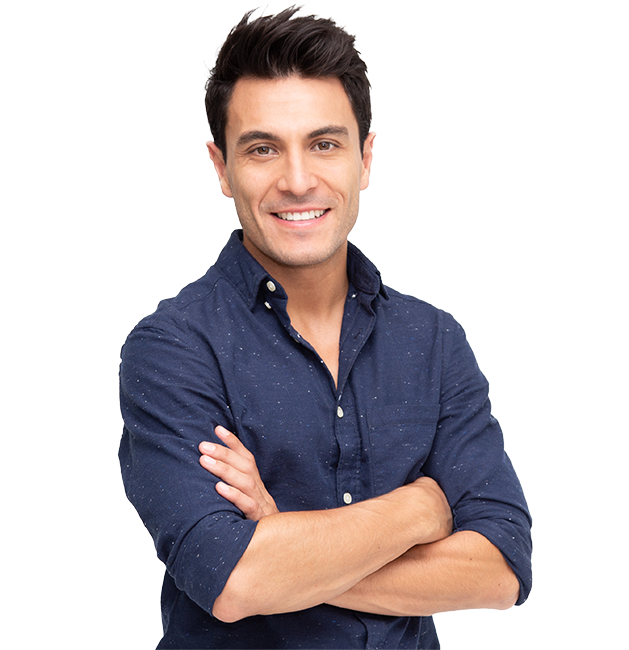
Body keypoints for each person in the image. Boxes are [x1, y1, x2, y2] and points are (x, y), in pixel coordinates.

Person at [118, 5, 532, 649]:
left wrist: (286, 538)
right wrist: (420, 507)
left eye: (325, 143)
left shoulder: (434, 342)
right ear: (222, 167)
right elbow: (232, 581)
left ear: (365, 158)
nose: (298, 180)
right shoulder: (174, 348)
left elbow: (500, 569)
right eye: (262, 149)